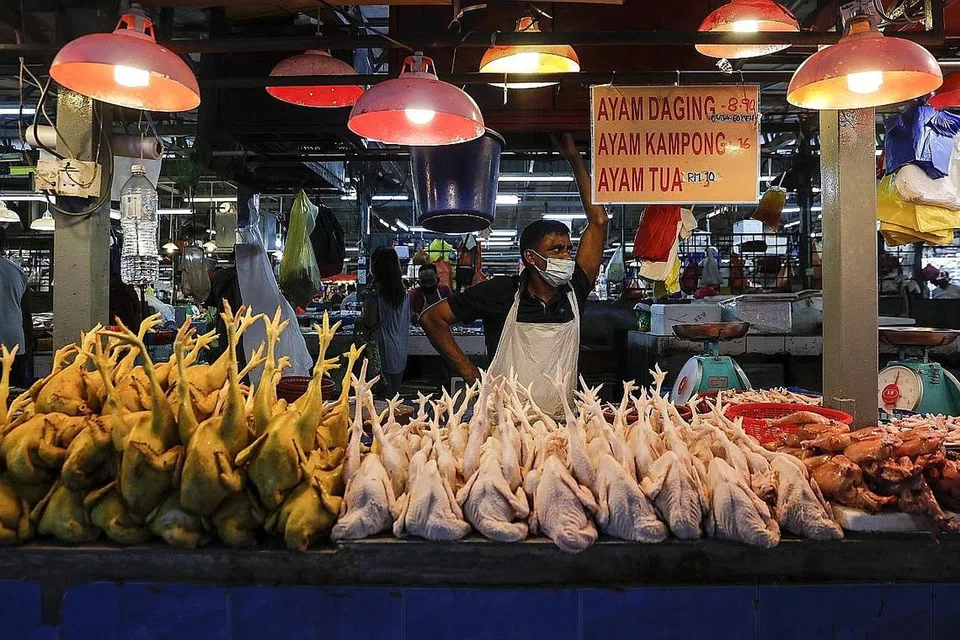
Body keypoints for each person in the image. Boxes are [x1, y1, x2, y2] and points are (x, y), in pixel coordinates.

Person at [420, 133, 608, 418]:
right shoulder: (500, 292)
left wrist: (574, 159)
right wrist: (473, 376)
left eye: (568, 249)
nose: (566, 257)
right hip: (504, 427)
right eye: (556, 249)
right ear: (530, 258)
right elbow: (431, 319)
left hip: (561, 425)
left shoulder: (575, 290)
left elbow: (599, 221)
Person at [361, 247, 410, 397]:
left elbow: (369, 322)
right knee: (394, 397)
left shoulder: (374, 293)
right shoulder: (404, 293)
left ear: (376, 266)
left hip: (381, 352)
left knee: (382, 400)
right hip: (400, 350)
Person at [0, 227, 32, 386]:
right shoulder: (17, 272)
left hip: (11, 342)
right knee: (12, 396)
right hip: (13, 342)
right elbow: (26, 315)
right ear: (4, 244)